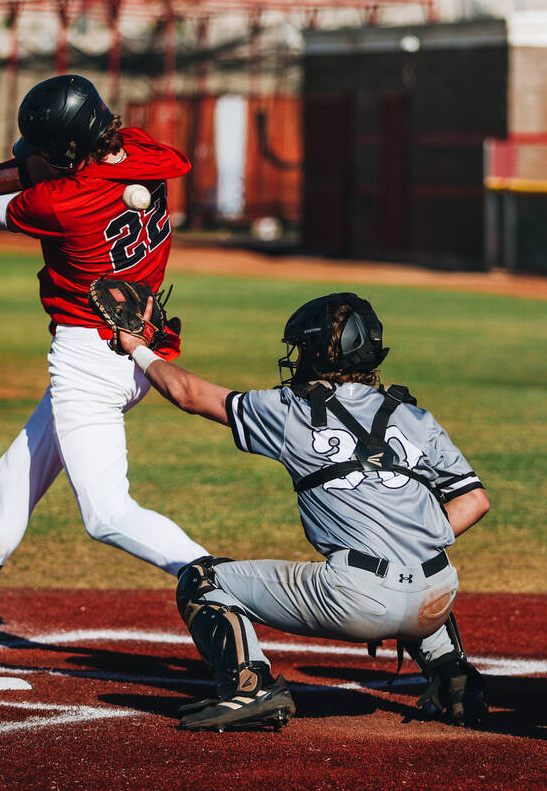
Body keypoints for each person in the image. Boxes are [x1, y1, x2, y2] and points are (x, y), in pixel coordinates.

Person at [0, 75, 208, 659]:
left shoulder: (64, 203)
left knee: (106, 515)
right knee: (15, 476)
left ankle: (218, 583)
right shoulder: (146, 152)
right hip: (138, 343)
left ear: (70, 152)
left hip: (88, 360)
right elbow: (22, 172)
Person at [105, 290, 490, 731]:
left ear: (317, 351)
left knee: (202, 580)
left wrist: (136, 345)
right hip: (436, 600)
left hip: (357, 599)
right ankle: (456, 679)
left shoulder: (292, 410)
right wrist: (411, 541)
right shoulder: (415, 415)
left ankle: (250, 687)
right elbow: (475, 500)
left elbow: (188, 393)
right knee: (420, 564)